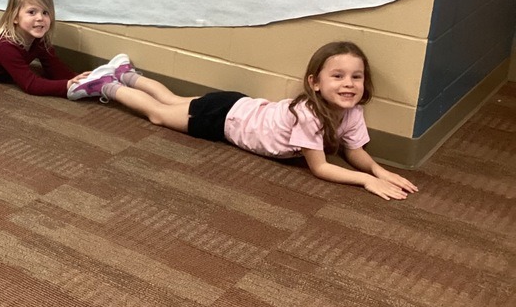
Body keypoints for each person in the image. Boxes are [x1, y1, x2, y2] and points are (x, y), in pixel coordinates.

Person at [69, 41, 419, 200]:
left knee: (174, 99)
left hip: (239, 104)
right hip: (225, 119)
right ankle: (108, 85)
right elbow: (321, 167)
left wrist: (379, 170)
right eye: (338, 76)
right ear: (315, 82)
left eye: (355, 78)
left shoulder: (353, 111)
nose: (348, 85)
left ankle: (126, 73)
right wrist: (364, 182)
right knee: (160, 114)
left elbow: (353, 149)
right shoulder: (309, 114)